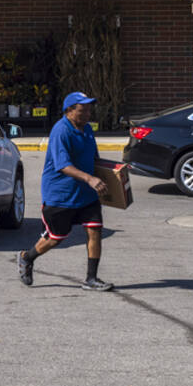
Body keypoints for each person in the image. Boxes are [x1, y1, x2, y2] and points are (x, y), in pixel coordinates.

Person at [17, 91, 113, 291]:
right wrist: (90, 178)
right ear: (69, 111)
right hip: (61, 195)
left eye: (88, 109)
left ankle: (91, 278)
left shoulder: (87, 129)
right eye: (82, 110)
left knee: (94, 229)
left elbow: (94, 159)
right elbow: (63, 165)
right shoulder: (61, 131)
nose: (87, 113)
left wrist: (116, 172)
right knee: (55, 238)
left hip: (86, 193)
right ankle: (27, 257)